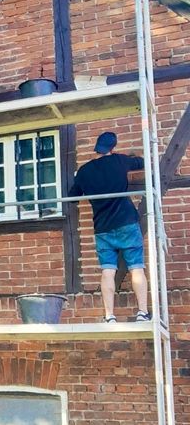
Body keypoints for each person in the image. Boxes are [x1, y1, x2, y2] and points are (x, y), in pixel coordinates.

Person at [69, 130, 150, 323]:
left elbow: (73, 196)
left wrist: (80, 179)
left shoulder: (84, 171)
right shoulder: (120, 161)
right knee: (136, 268)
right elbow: (142, 162)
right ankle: (142, 312)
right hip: (126, 223)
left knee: (107, 270)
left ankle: (109, 316)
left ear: (96, 147)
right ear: (112, 148)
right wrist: (134, 154)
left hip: (102, 227)